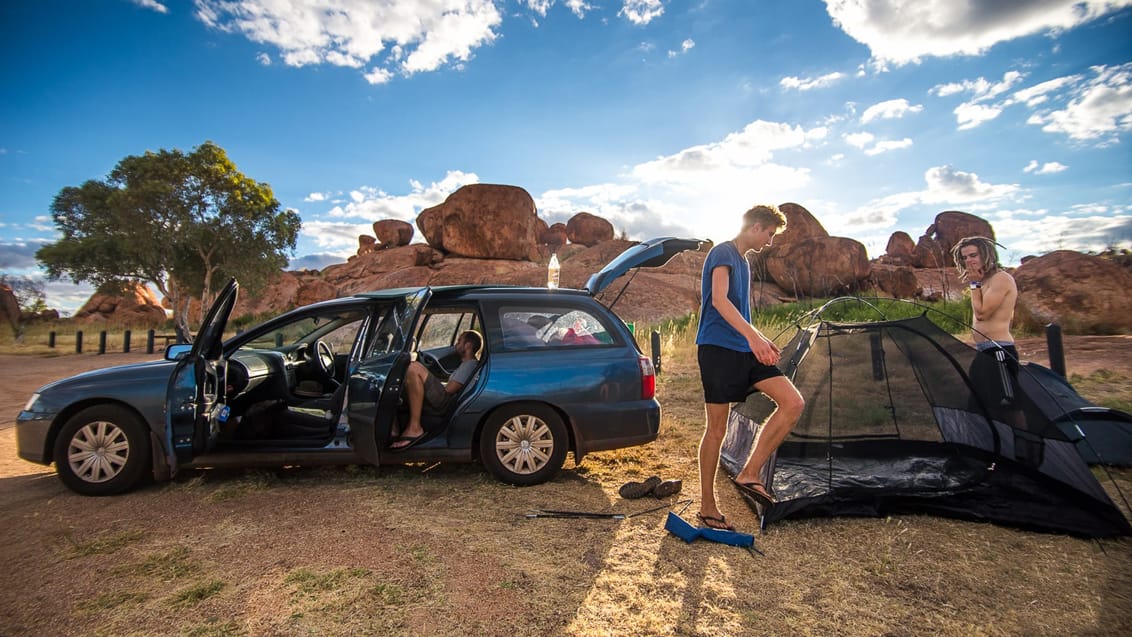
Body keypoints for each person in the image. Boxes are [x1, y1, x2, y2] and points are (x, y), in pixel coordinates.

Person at [695, 204, 805, 530]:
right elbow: (718, 300)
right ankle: (707, 506)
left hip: (745, 350)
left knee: (793, 402)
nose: (769, 241)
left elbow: (739, 311)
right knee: (716, 429)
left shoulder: (743, 262)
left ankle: (750, 472)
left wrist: (760, 341)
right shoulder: (723, 253)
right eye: (770, 234)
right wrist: (754, 338)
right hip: (717, 350)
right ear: (756, 226)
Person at [951, 236, 1024, 427]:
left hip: (999, 350)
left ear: (986, 254)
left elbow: (983, 313)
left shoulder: (1001, 279)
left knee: (1009, 405)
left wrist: (974, 285)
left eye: (973, 255)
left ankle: (1025, 449)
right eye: (965, 257)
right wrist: (977, 284)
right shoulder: (984, 282)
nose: (969, 261)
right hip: (983, 350)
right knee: (978, 404)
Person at [391, 329, 483, 450]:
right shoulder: (466, 364)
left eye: (459, 341)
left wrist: (428, 381)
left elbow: (450, 390)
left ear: (468, 345)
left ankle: (414, 428)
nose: (456, 344)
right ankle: (393, 429)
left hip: (446, 403)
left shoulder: (470, 365)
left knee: (414, 368)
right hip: (446, 398)